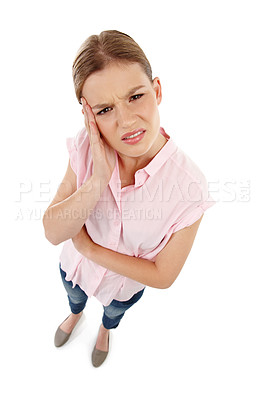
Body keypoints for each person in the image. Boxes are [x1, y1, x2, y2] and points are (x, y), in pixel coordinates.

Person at [43, 30, 216, 368]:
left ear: (157, 90)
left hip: (120, 290)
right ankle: (74, 315)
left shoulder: (191, 187)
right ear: (88, 115)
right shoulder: (85, 147)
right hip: (75, 271)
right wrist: (96, 181)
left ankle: (105, 332)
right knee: (74, 297)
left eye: (135, 97)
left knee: (112, 313)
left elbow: (163, 276)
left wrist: (90, 248)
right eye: (105, 109)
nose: (125, 121)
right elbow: (52, 232)